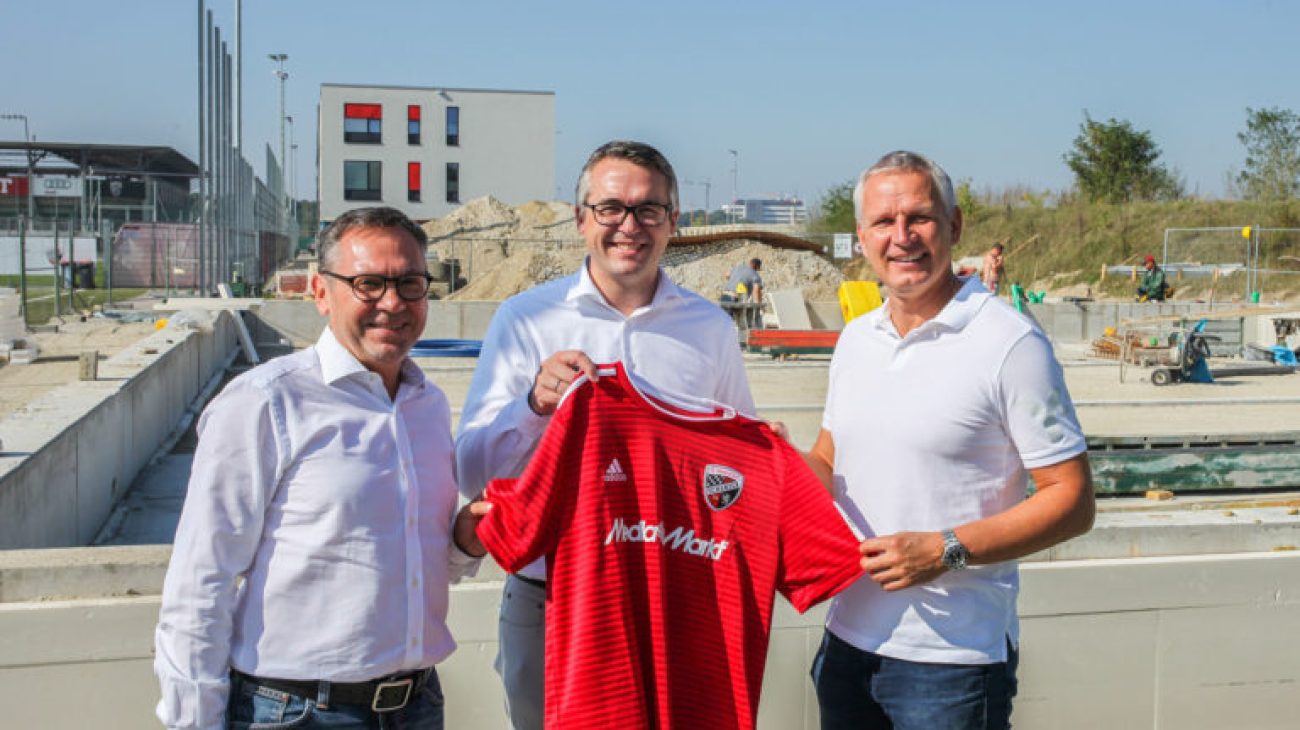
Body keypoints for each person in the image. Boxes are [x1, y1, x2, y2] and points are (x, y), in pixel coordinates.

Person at [455, 140, 756, 730]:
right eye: (610, 208)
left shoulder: (710, 329)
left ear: (674, 222)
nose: (629, 226)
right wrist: (534, 405)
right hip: (552, 602)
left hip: (674, 600)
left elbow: (734, 472)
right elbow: (471, 472)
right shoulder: (526, 319)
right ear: (580, 219)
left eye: (648, 210)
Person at [154, 206, 487, 730]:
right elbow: (202, 579)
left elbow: (410, 565)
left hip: (417, 706)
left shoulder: (426, 405)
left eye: (410, 283)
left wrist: (462, 545)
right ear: (320, 292)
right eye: (369, 283)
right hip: (296, 712)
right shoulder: (266, 402)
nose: (393, 303)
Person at [804, 151, 1095, 729]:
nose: (902, 237)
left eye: (920, 217)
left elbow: (1073, 499)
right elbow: (829, 458)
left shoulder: (1009, 344)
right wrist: (776, 472)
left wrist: (946, 549)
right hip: (845, 642)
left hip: (950, 664)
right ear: (861, 237)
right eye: (884, 223)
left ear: (954, 226)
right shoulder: (858, 339)